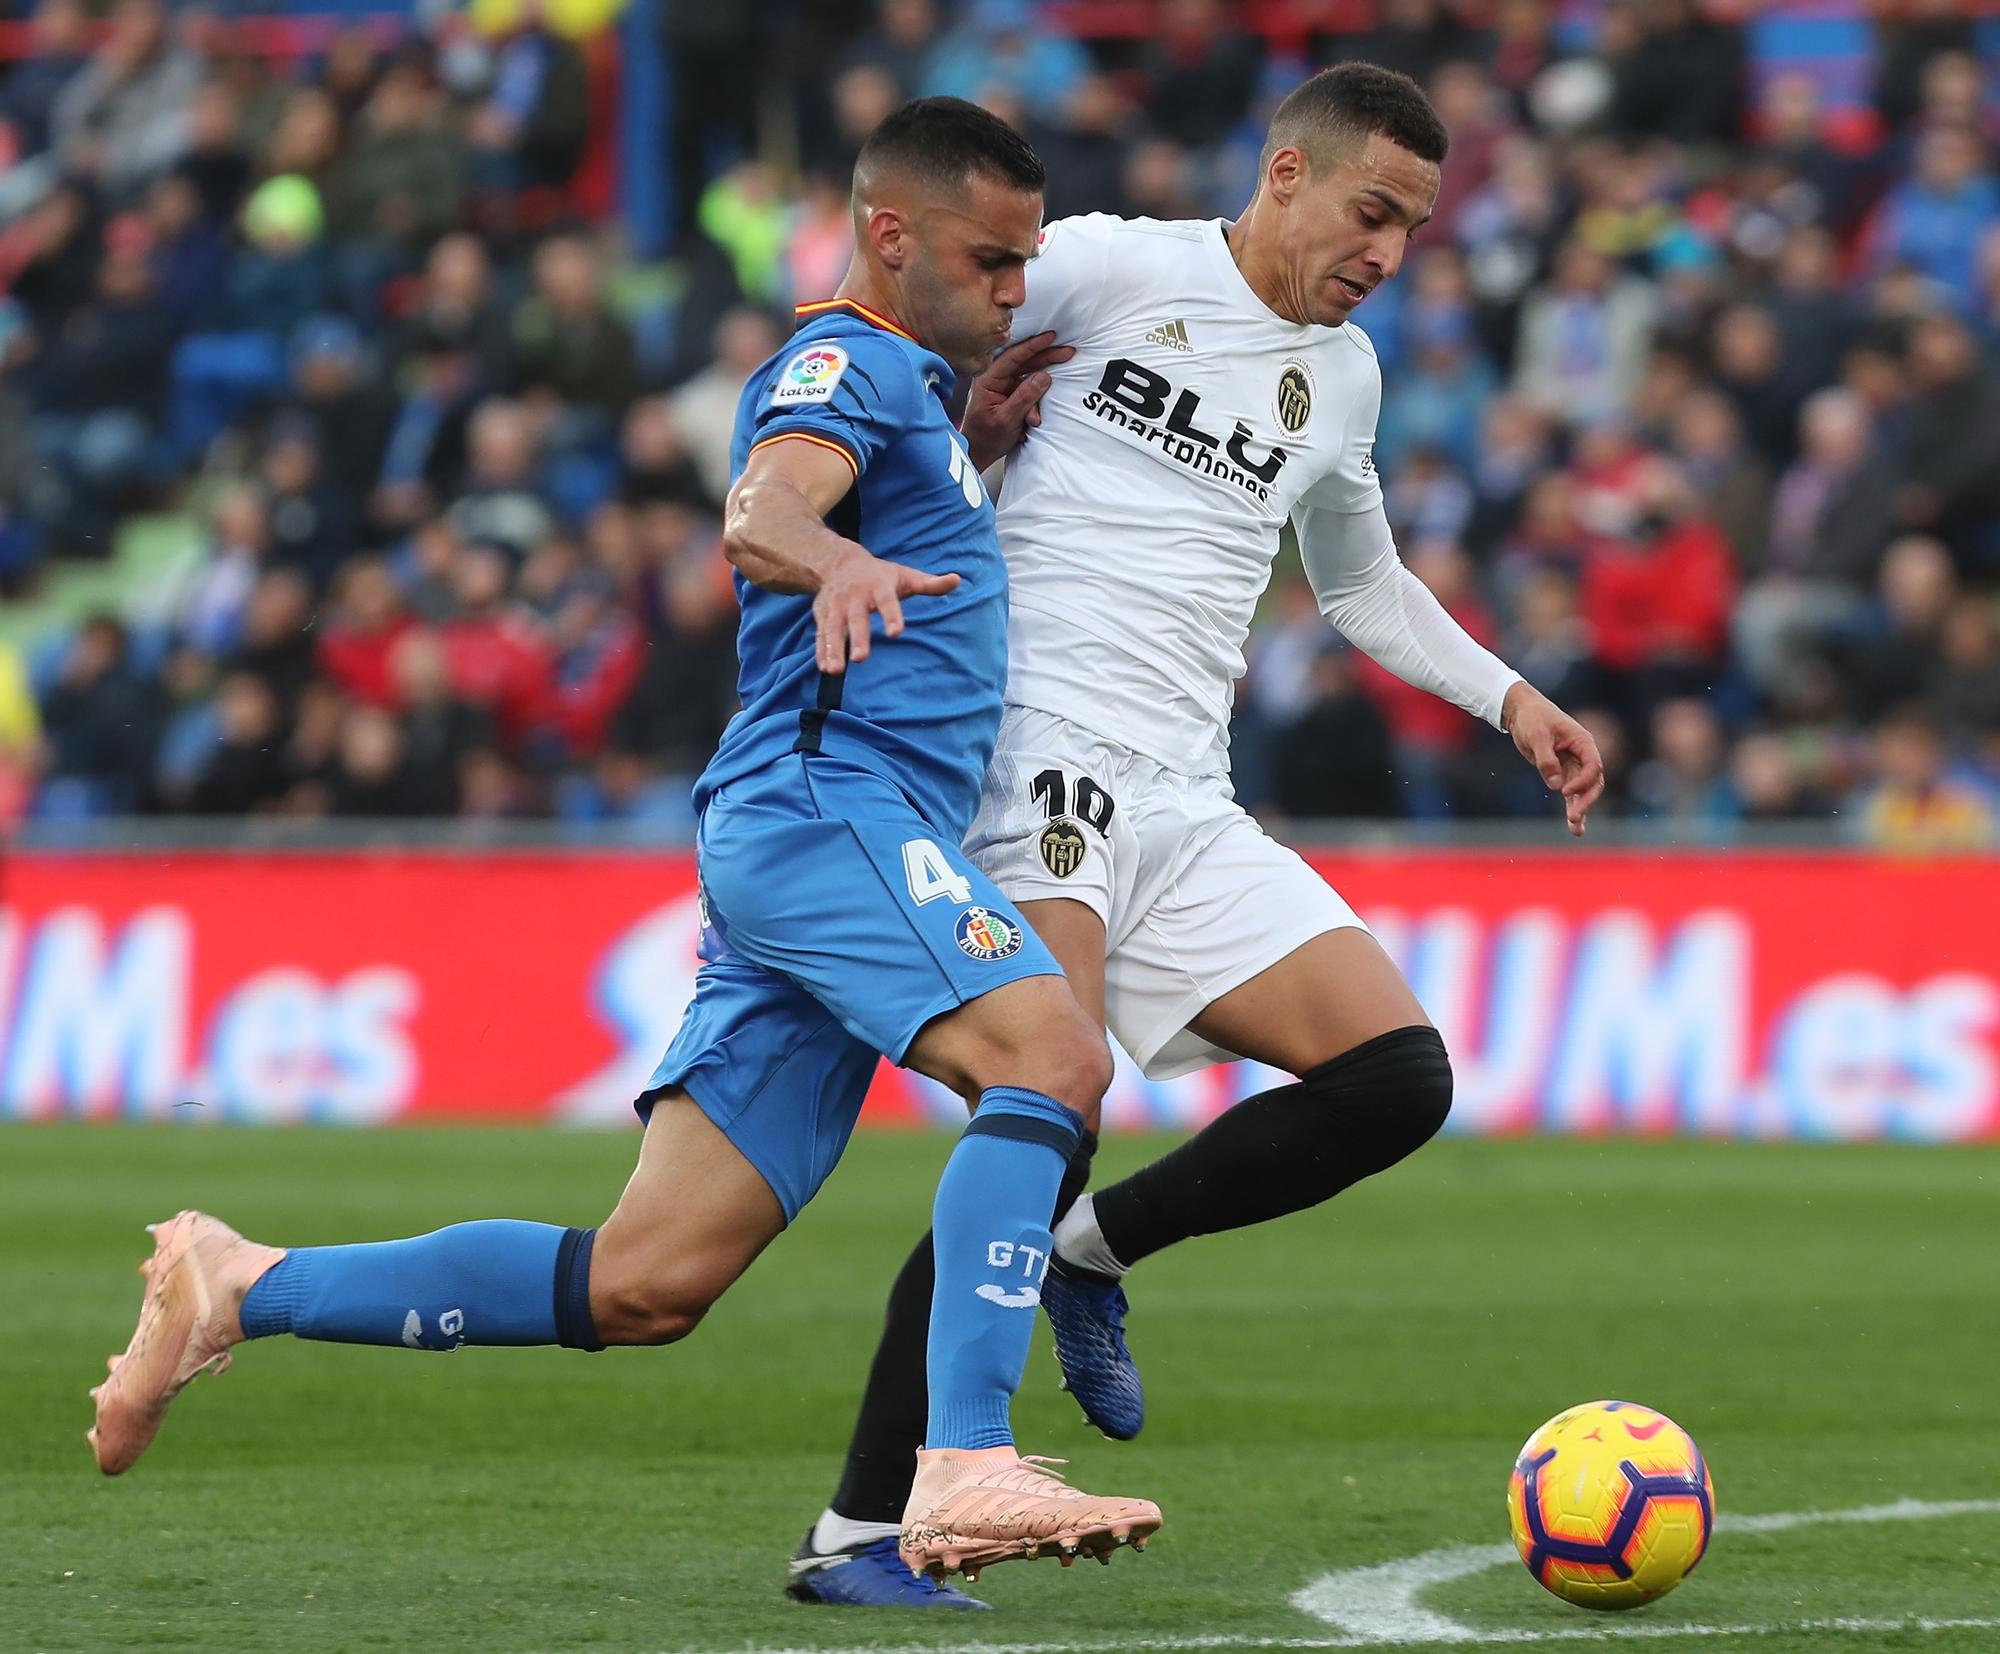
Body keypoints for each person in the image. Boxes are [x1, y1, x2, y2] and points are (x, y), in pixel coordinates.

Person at [87, 97, 1160, 1593]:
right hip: (827, 812)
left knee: (648, 1279)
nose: (1012, 286)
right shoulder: (841, 360)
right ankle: (964, 1460)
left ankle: (243, 1284)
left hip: (817, 841)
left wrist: (961, 450)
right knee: (1051, 1058)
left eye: (1026, 258)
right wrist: (832, 550)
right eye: (990, 257)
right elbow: (762, 507)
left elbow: (851, 483)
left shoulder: (917, 391)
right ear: (889, 232)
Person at [787, 63, 1604, 1609]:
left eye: (1416, 229)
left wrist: (1508, 700)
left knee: (1396, 1074)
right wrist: (960, 433)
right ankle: (861, 1528)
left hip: (1184, 785)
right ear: (1285, 173)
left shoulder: (1344, 377)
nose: (1387, 252)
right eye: (1372, 212)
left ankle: (1095, 1257)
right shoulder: (1108, 268)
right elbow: (889, 338)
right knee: (1046, 1101)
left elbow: (1357, 584)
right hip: (1038, 746)